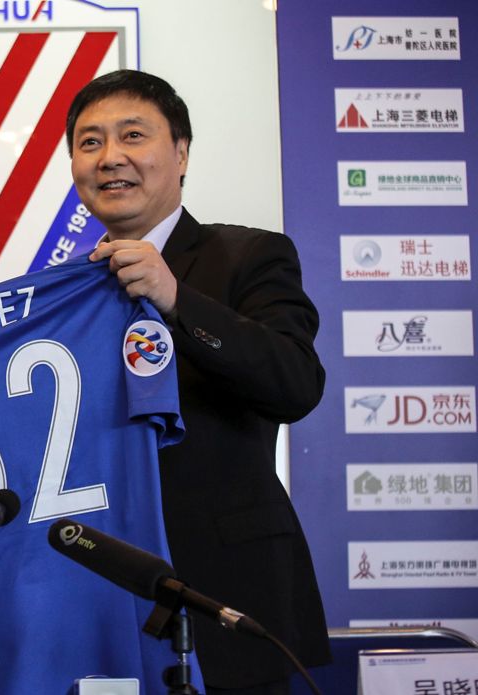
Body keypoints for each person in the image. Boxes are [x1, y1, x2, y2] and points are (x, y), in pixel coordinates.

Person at [65, 70, 331, 694]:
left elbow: (296, 382)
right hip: (99, 592)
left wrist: (176, 298)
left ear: (181, 153)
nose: (111, 158)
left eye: (133, 135)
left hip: (227, 591)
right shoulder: (64, 294)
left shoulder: (249, 256)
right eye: (90, 142)